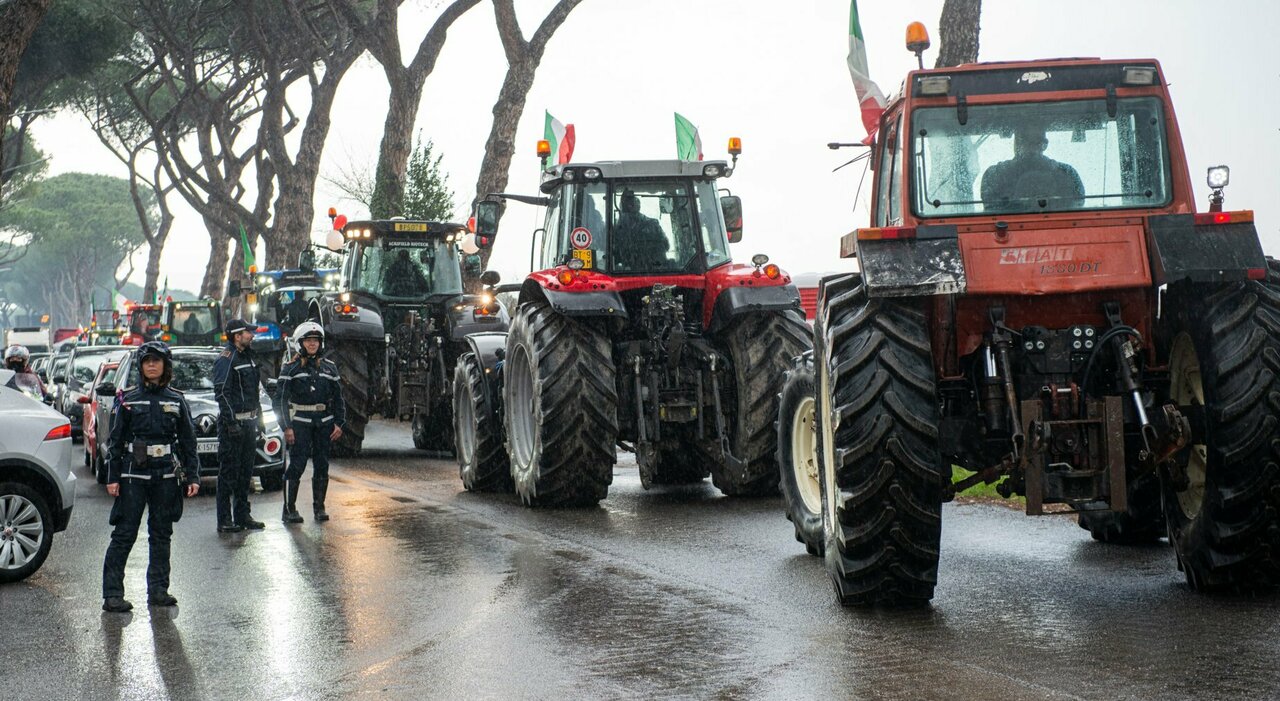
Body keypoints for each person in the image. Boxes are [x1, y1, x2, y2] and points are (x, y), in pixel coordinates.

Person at [101, 341, 200, 612]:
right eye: (147, 361)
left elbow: (188, 442)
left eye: (157, 361)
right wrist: (112, 478)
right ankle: (112, 595)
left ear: (166, 366)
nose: (152, 365)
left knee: (161, 534)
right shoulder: (129, 399)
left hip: (166, 475)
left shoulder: (176, 399)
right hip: (133, 476)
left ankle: (158, 591)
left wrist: (193, 476)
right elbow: (116, 441)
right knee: (124, 534)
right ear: (141, 367)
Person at [274, 322, 345, 523]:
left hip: (324, 424)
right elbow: (279, 400)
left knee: (322, 465)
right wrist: (286, 427)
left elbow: (339, 399)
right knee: (297, 465)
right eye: (308, 341)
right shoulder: (291, 369)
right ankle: (289, 510)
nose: (312, 344)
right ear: (301, 343)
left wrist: (340, 423)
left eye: (316, 341)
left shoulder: (330, 368)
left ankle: (319, 508)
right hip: (300, 424)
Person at [212, 318, 264, 533]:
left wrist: (259, 421)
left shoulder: (249, 357)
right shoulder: (227, 359)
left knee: (245, 473)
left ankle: (242, 515)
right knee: (228, 474)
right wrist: (231, 423)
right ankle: (224, 519)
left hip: (250, 423)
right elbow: (222, 393)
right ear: (236, 336)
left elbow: (255, 393)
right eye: (248, 333)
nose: (252, 336)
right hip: (233, 426)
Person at [980, 123, 1085, 212]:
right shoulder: (1067, 174)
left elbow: (1074, 214)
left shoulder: (995, 175)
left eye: (1036, 142)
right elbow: (993, 218)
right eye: (1026, 141)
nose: (1031, 147)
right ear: (1017, 143)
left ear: (1045, 145)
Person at [613, 189, 667, 270]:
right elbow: (666, 245)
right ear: (638, 206)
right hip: (655, 270)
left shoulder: (615, 228)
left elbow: (613, 253)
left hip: (627, 271)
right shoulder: (653, 224)